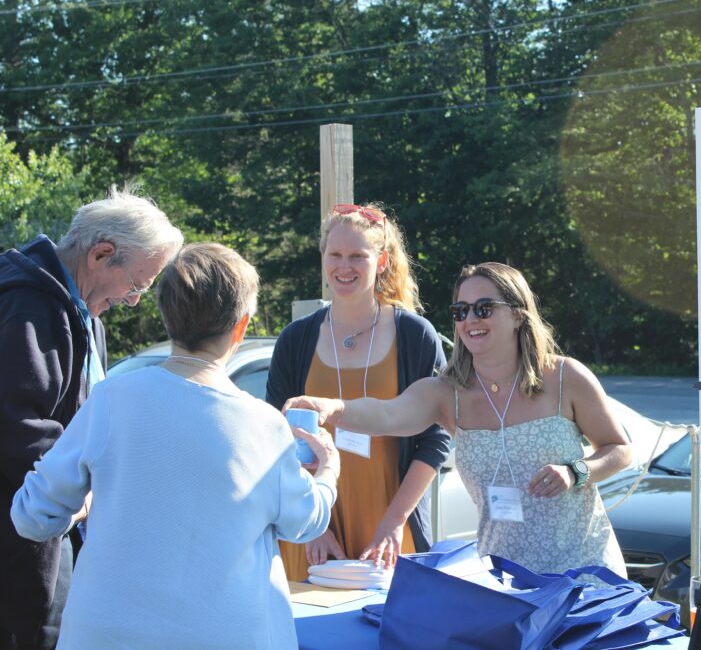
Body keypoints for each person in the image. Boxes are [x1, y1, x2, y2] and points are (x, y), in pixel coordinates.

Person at [10, 243, 340, 649]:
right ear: (241, 327)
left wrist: (85, 504)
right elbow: (305, 521)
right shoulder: (264, 425)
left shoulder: (112, 399)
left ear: (167, 317)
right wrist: (328, 471)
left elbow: (32, 515)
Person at [287, 261, 633, 576]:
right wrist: (332, 407)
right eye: (461, 311)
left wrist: (576, 471)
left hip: (584, 572)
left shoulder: (564, 377)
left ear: (517, 314)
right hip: (505, 578)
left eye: (484, 309)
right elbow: (386, 414)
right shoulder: (446, 393)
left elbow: (619, 449)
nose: (471, 321)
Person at [0, 184, 183, 649]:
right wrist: (86, 483)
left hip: (47, 532)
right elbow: (18, 424)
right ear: (101, 254)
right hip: (20, 540)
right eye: (139, 284)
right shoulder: (29, 304)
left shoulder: (84, 313)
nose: (137, 300)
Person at [266, 203, 450, 577]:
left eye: (357, 256)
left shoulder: (416, 336)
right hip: (312, 530)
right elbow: (274, 437)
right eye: (334, 255)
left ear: (381, 261)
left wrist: (394, 522)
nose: (343, 267)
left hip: (391, 529)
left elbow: (437, 438)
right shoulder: (295, 340)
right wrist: (311, 526)